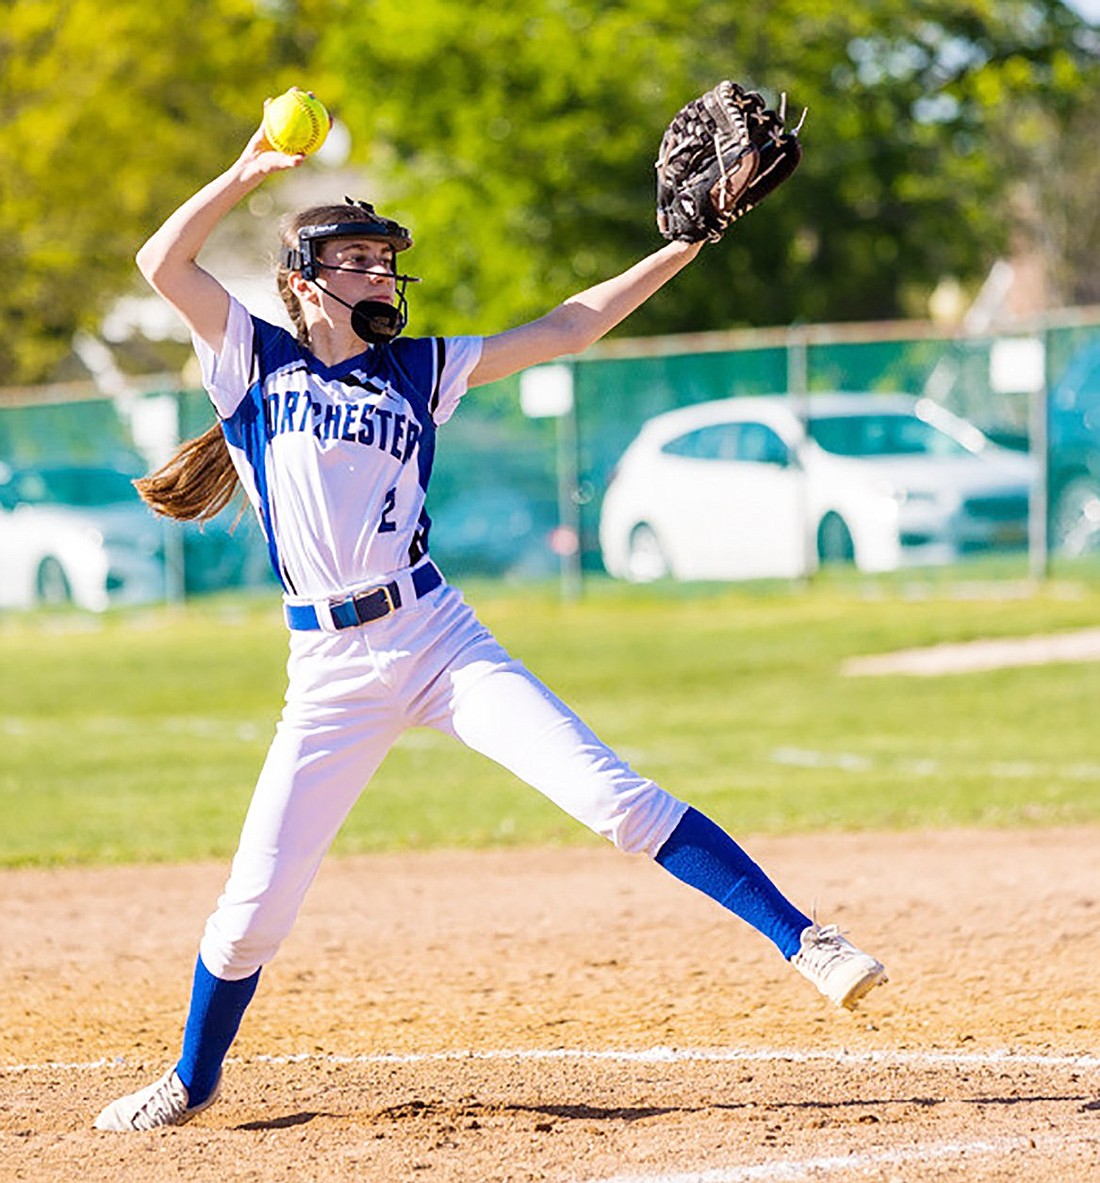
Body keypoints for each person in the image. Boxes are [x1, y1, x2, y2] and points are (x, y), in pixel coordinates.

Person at [93, 119, 886, 1133]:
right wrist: (248, 166)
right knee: (248, 915)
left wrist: (689, 240)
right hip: (328, 670)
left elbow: (564, 328)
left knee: (612, 797)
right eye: (360, 262)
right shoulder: (252, 359)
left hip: (434, 637)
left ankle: (806, 941)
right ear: (302, 280)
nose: (383, 276)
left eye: (387, 263)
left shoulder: (419, 370)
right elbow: (161, 261)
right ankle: (192, 1080)